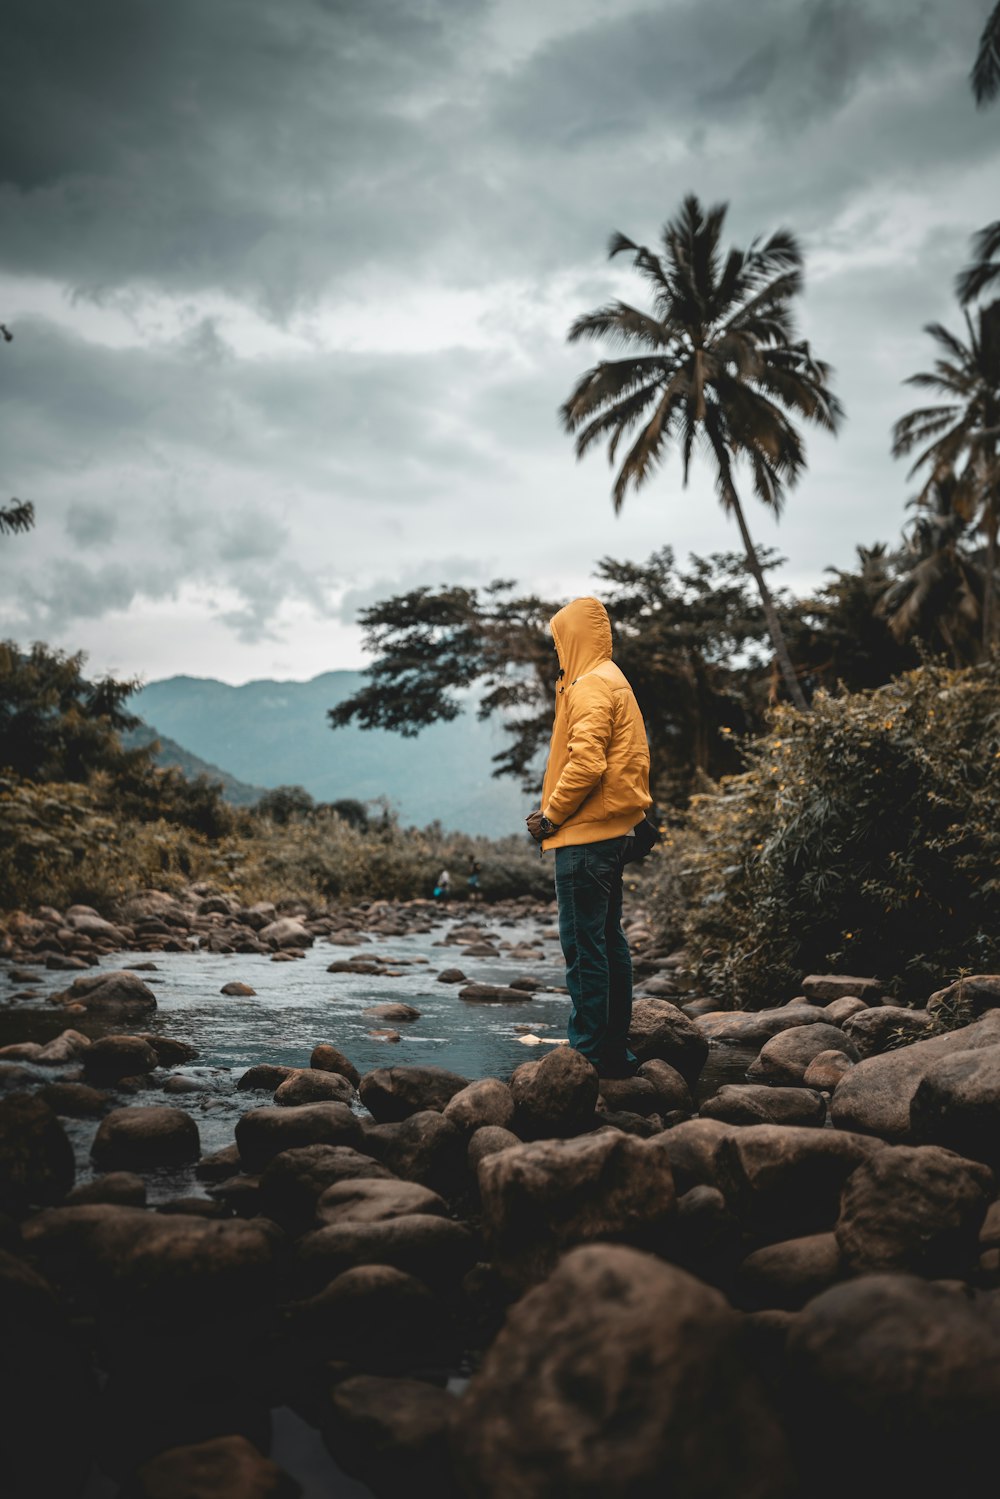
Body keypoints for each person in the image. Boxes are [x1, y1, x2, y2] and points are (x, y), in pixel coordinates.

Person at [526, 596, 650, 1078]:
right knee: (607, 941)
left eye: (559, 641)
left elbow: (587, 763)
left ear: (572, 639)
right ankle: (615, 1051)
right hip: (612, 831)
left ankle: (591, 1053)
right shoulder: (614, 679)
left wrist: (551, 817)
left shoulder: (590, 686)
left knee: (584, 947)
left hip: (583, 837)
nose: (557, 652)